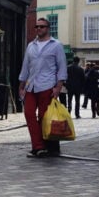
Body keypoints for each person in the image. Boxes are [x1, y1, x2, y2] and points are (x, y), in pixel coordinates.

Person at [18, 18, 67, 158]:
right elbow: (25, 67)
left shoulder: (56, 45)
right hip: (31, 86)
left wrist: (58, 87)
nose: (38, 29)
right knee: (29, 114)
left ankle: (45, 147)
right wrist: (21, 86)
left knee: (45, 118)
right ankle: (38, 146)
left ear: (48, 28)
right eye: (37, 26)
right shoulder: (31, 46)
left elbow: (61, 67)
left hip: (47, 86)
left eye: (42, 26)